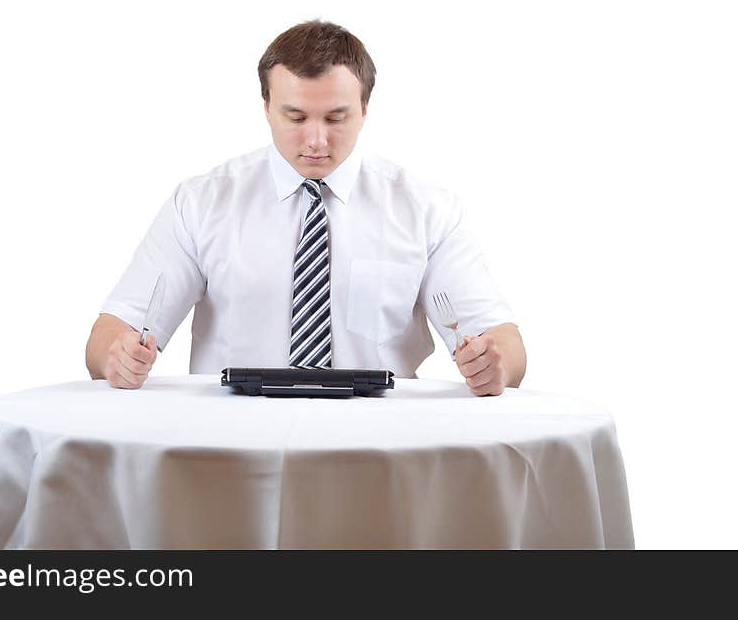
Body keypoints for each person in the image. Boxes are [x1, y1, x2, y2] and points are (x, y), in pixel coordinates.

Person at [85, 19, 526, 395]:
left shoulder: (426, 210)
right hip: (230, 445)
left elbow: (504, 345)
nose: (316, 141)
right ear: (266, 108)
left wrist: (495, 365)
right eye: (296, 117)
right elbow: (109, 335)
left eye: (336, 118)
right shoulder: (201, 203)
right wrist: (117, 357)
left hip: (380, 445)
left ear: (365, 109)